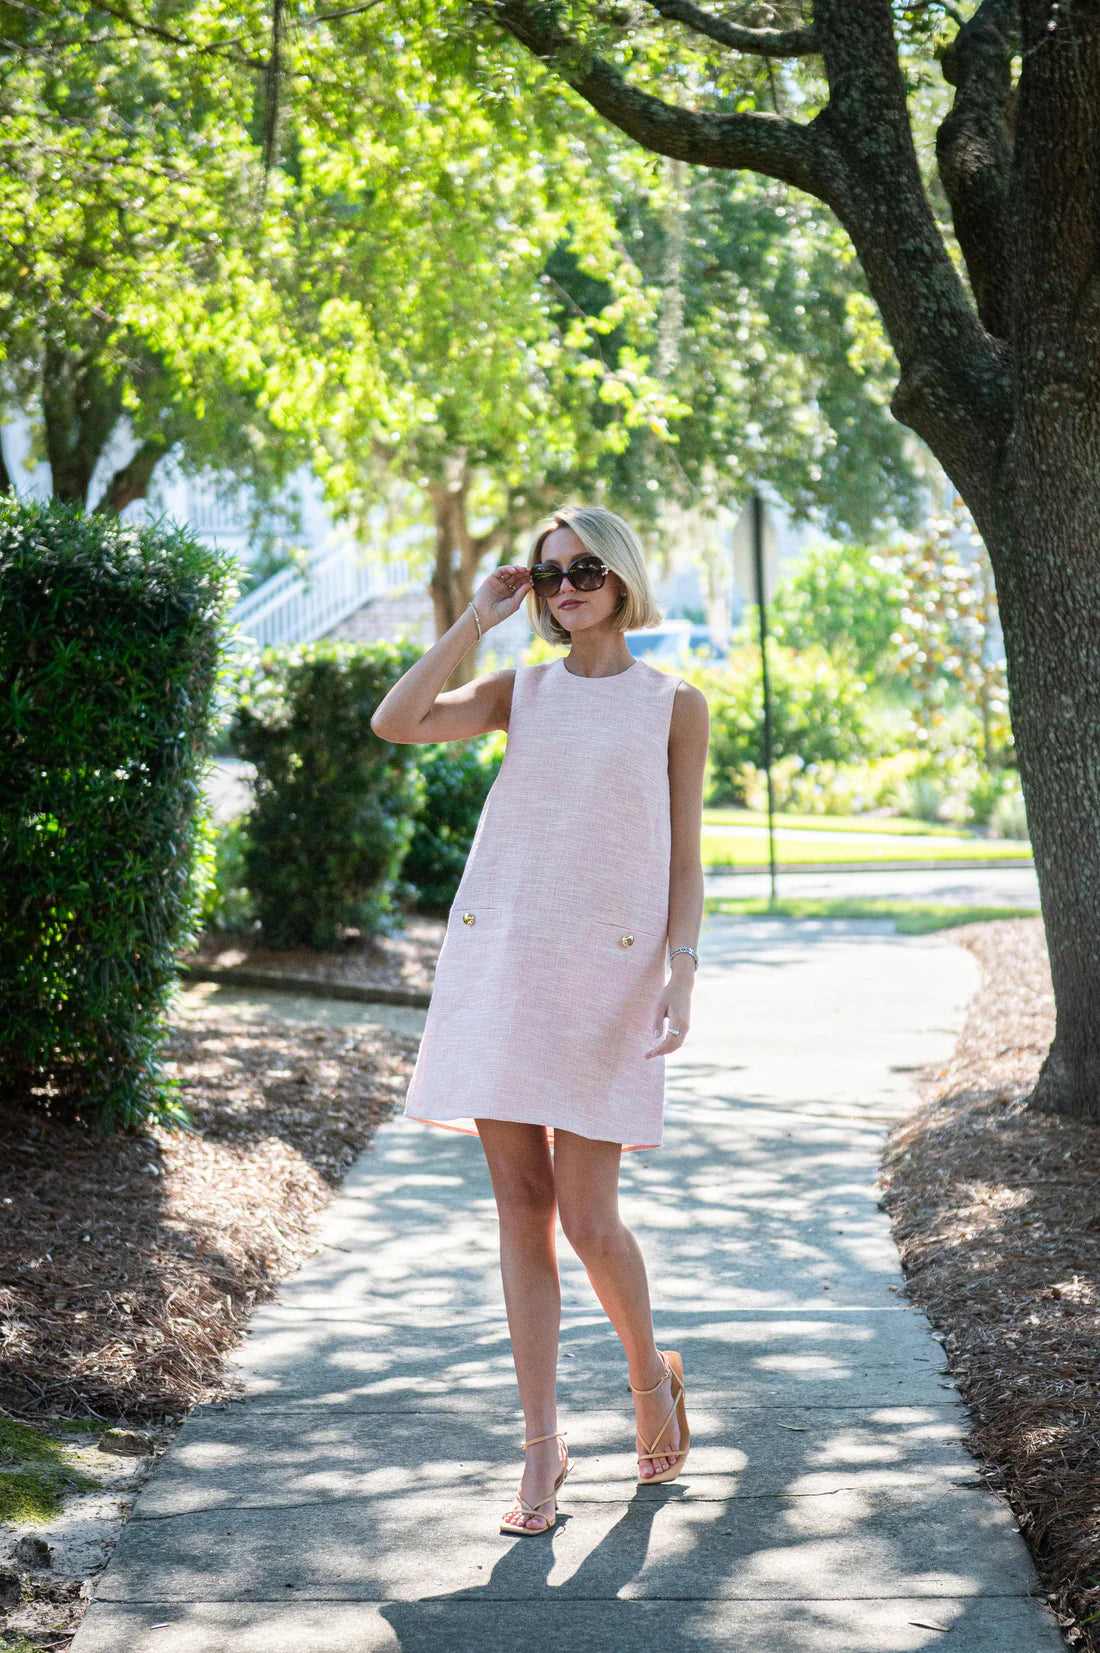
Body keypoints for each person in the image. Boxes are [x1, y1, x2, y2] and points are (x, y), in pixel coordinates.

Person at [370, 503, 710, 1536]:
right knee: (521, 1208)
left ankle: (648, 1380)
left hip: (610, 976)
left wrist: (681, 972)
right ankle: (540, 1449)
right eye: (549, 572)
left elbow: (686, 857)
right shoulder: (518, 691)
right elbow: (396, 721)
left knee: (588, 1220)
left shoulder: (674, 704)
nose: (565, 587)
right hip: (505, 968)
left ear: (622, 577)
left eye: (584, 569)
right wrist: (474, 620)